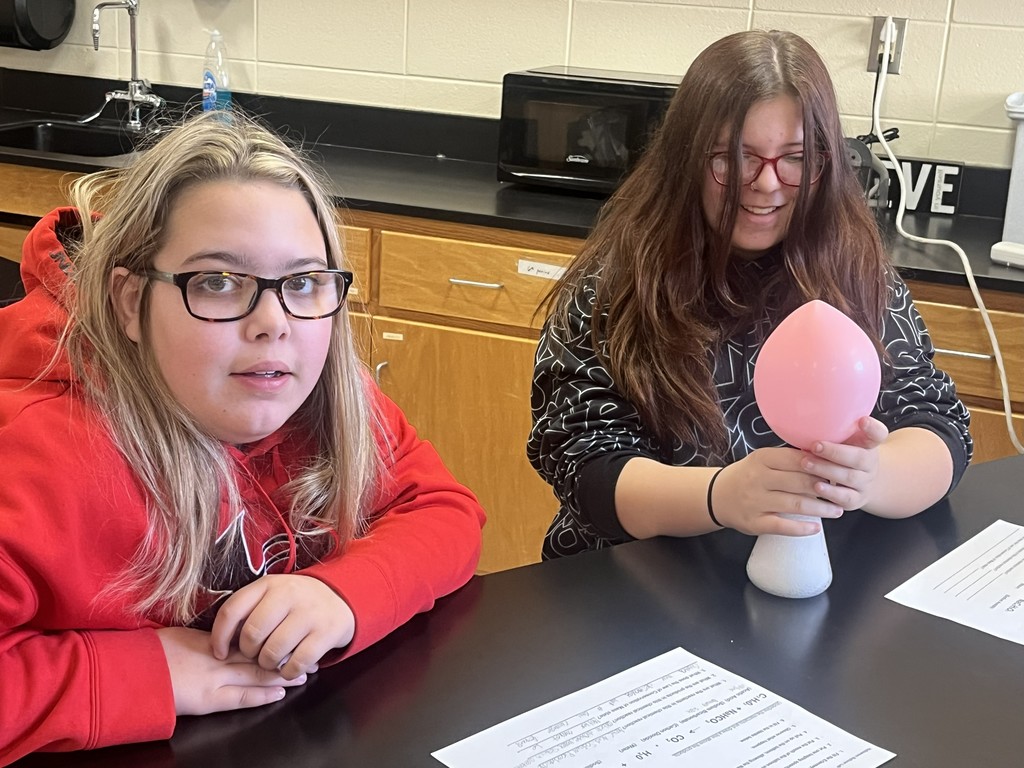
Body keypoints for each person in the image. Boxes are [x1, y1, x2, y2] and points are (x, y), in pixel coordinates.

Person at [0, 111, 485, 763]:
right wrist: (135, 674)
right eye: (219, 282)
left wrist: (341, 593)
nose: (272, 323)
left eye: (305, 283)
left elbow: (444, 511)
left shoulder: (323, 400)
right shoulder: (39, 455)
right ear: (128, 302)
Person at [527, 29, 972, 560]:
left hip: (809, 579)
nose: (765, 183)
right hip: (637, 583)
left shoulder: (858, 276)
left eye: (795, 158)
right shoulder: (617, 283)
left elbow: (938, 424)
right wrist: (720, 497)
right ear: (685, 158)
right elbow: (582, 464)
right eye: (733, 157)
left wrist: (872, 478)